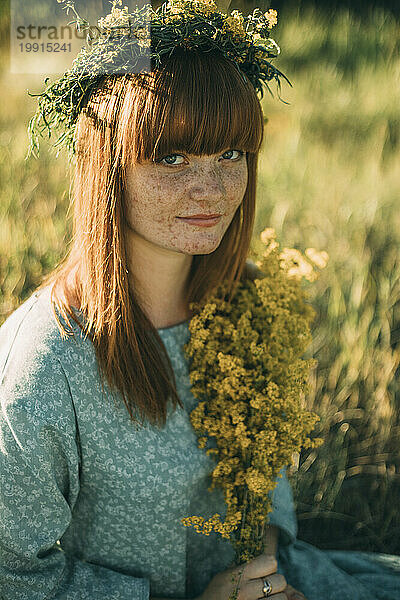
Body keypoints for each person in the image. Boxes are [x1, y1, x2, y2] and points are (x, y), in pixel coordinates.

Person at [1, 2, 400, 599]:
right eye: (172, 157)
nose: (209, 189)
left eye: (230, 155)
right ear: (110, 169)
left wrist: (260, 574)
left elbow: (267, 498)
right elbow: (15, 577)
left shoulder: (247, 303)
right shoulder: (45, 366)